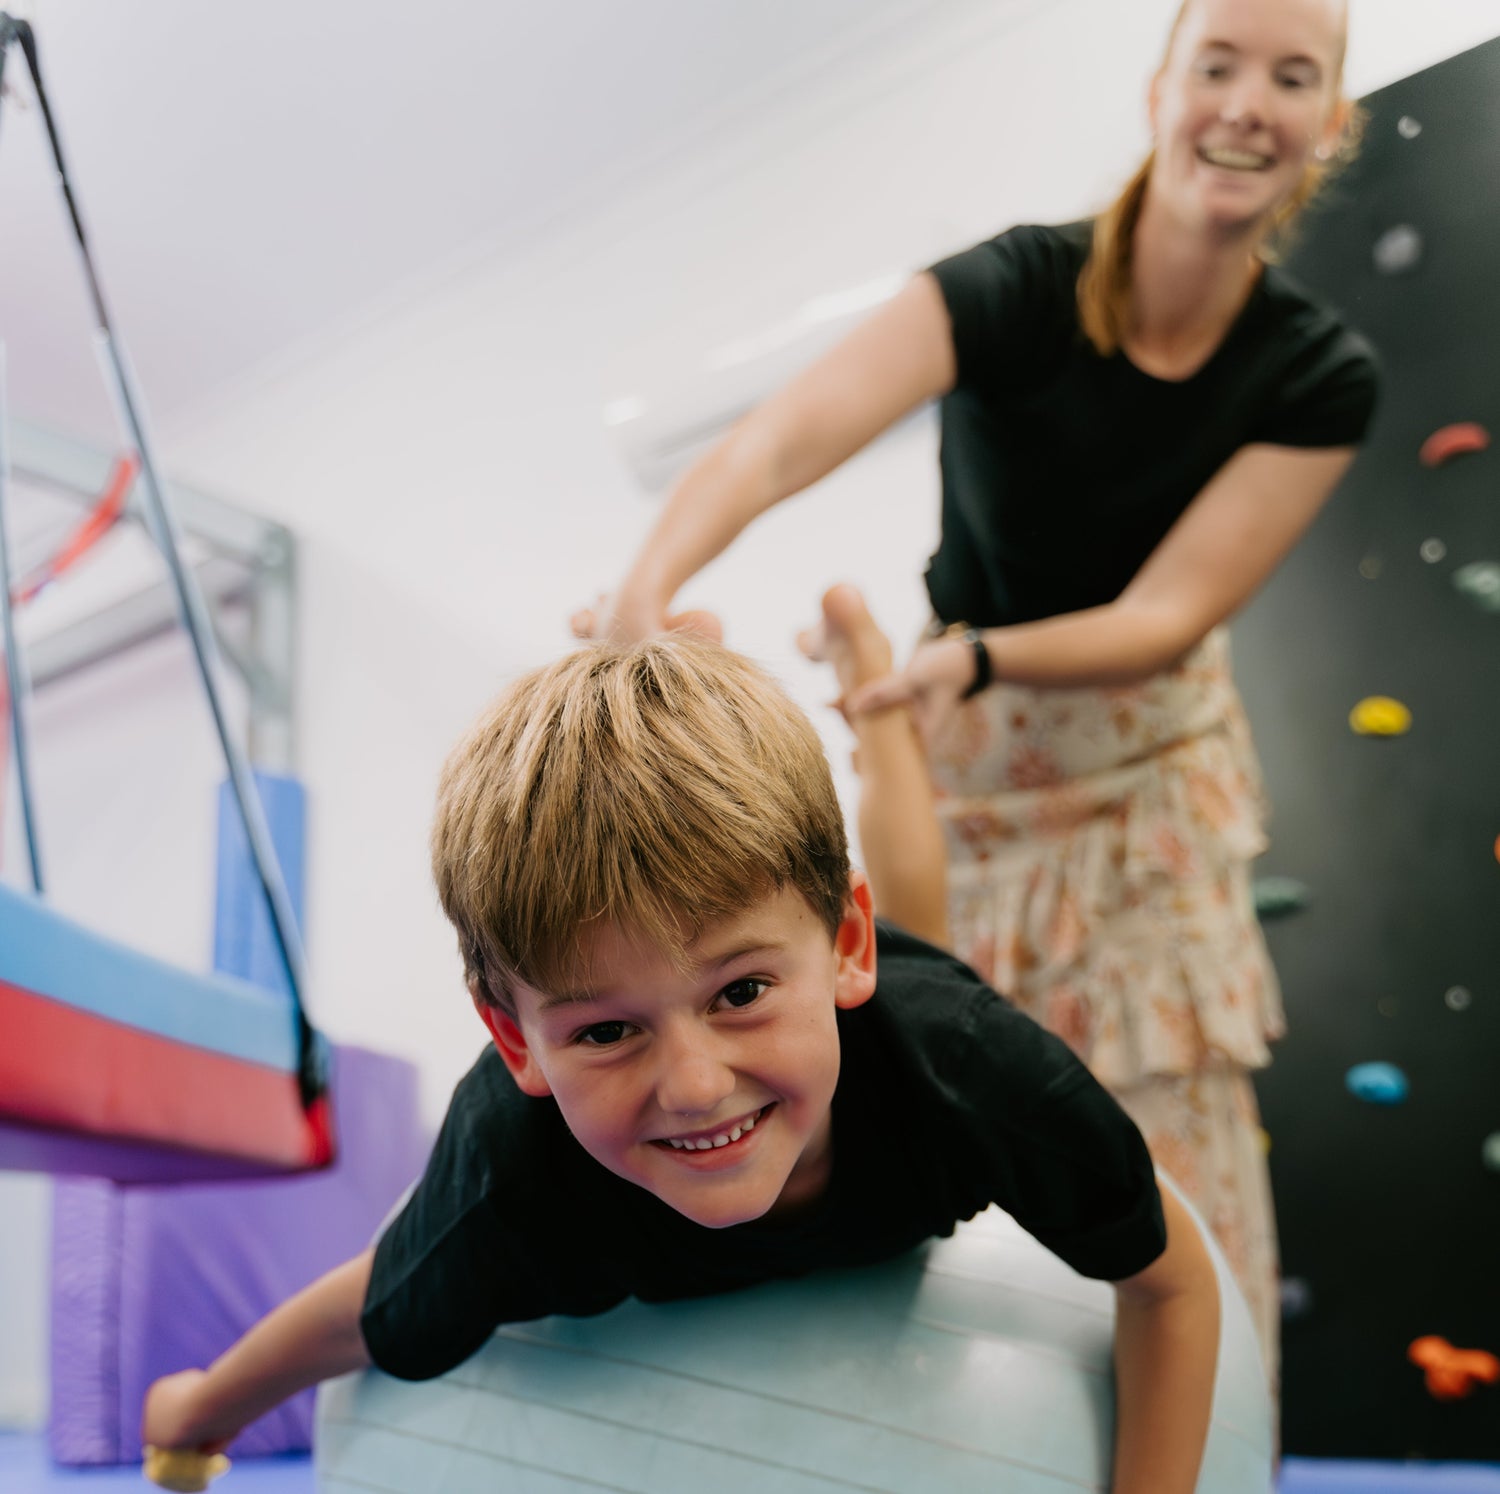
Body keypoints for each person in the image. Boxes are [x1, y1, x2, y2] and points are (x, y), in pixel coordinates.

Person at [572, 0, 1379, 1379]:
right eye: (1221, 66)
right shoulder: (1013, 288)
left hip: (1140, 760)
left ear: (1327, 126)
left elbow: (1164, 612)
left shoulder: (1315, 372)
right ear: (1159, 90)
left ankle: (1208, 1421)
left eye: (1293, 79)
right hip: (971, 746)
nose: (1249, 104)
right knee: (949, 1053)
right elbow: (776, 445)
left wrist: (977, 658)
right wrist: (646, 596)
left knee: (1162, 1104)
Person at [142, 635, 1221, 1493]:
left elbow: (1170, 1286)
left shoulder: (983, 1077)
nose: (696, 1085)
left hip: (900, 1025)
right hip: (843, 1029)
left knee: (927, 940)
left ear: (845, 945)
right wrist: (201, 1411)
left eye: (740, 994)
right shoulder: (512, 1182)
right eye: (605, 1031)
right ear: (517, 1040)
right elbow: (366, 1310)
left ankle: (874, 698)